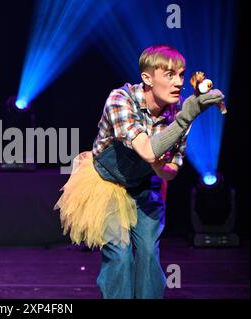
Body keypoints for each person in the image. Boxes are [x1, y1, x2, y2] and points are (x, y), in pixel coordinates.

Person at [55, 45, 225, 299]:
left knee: (147, 253)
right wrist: (184, 119)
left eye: (181, 75)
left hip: (143, 188)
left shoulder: (177, 112)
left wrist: (161, 165)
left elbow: (171, 172)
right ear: (147, 78)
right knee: (120, 255)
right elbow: (146, 150)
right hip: (105, 185)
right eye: (169, 74)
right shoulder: (121, 100)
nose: (178, 82)